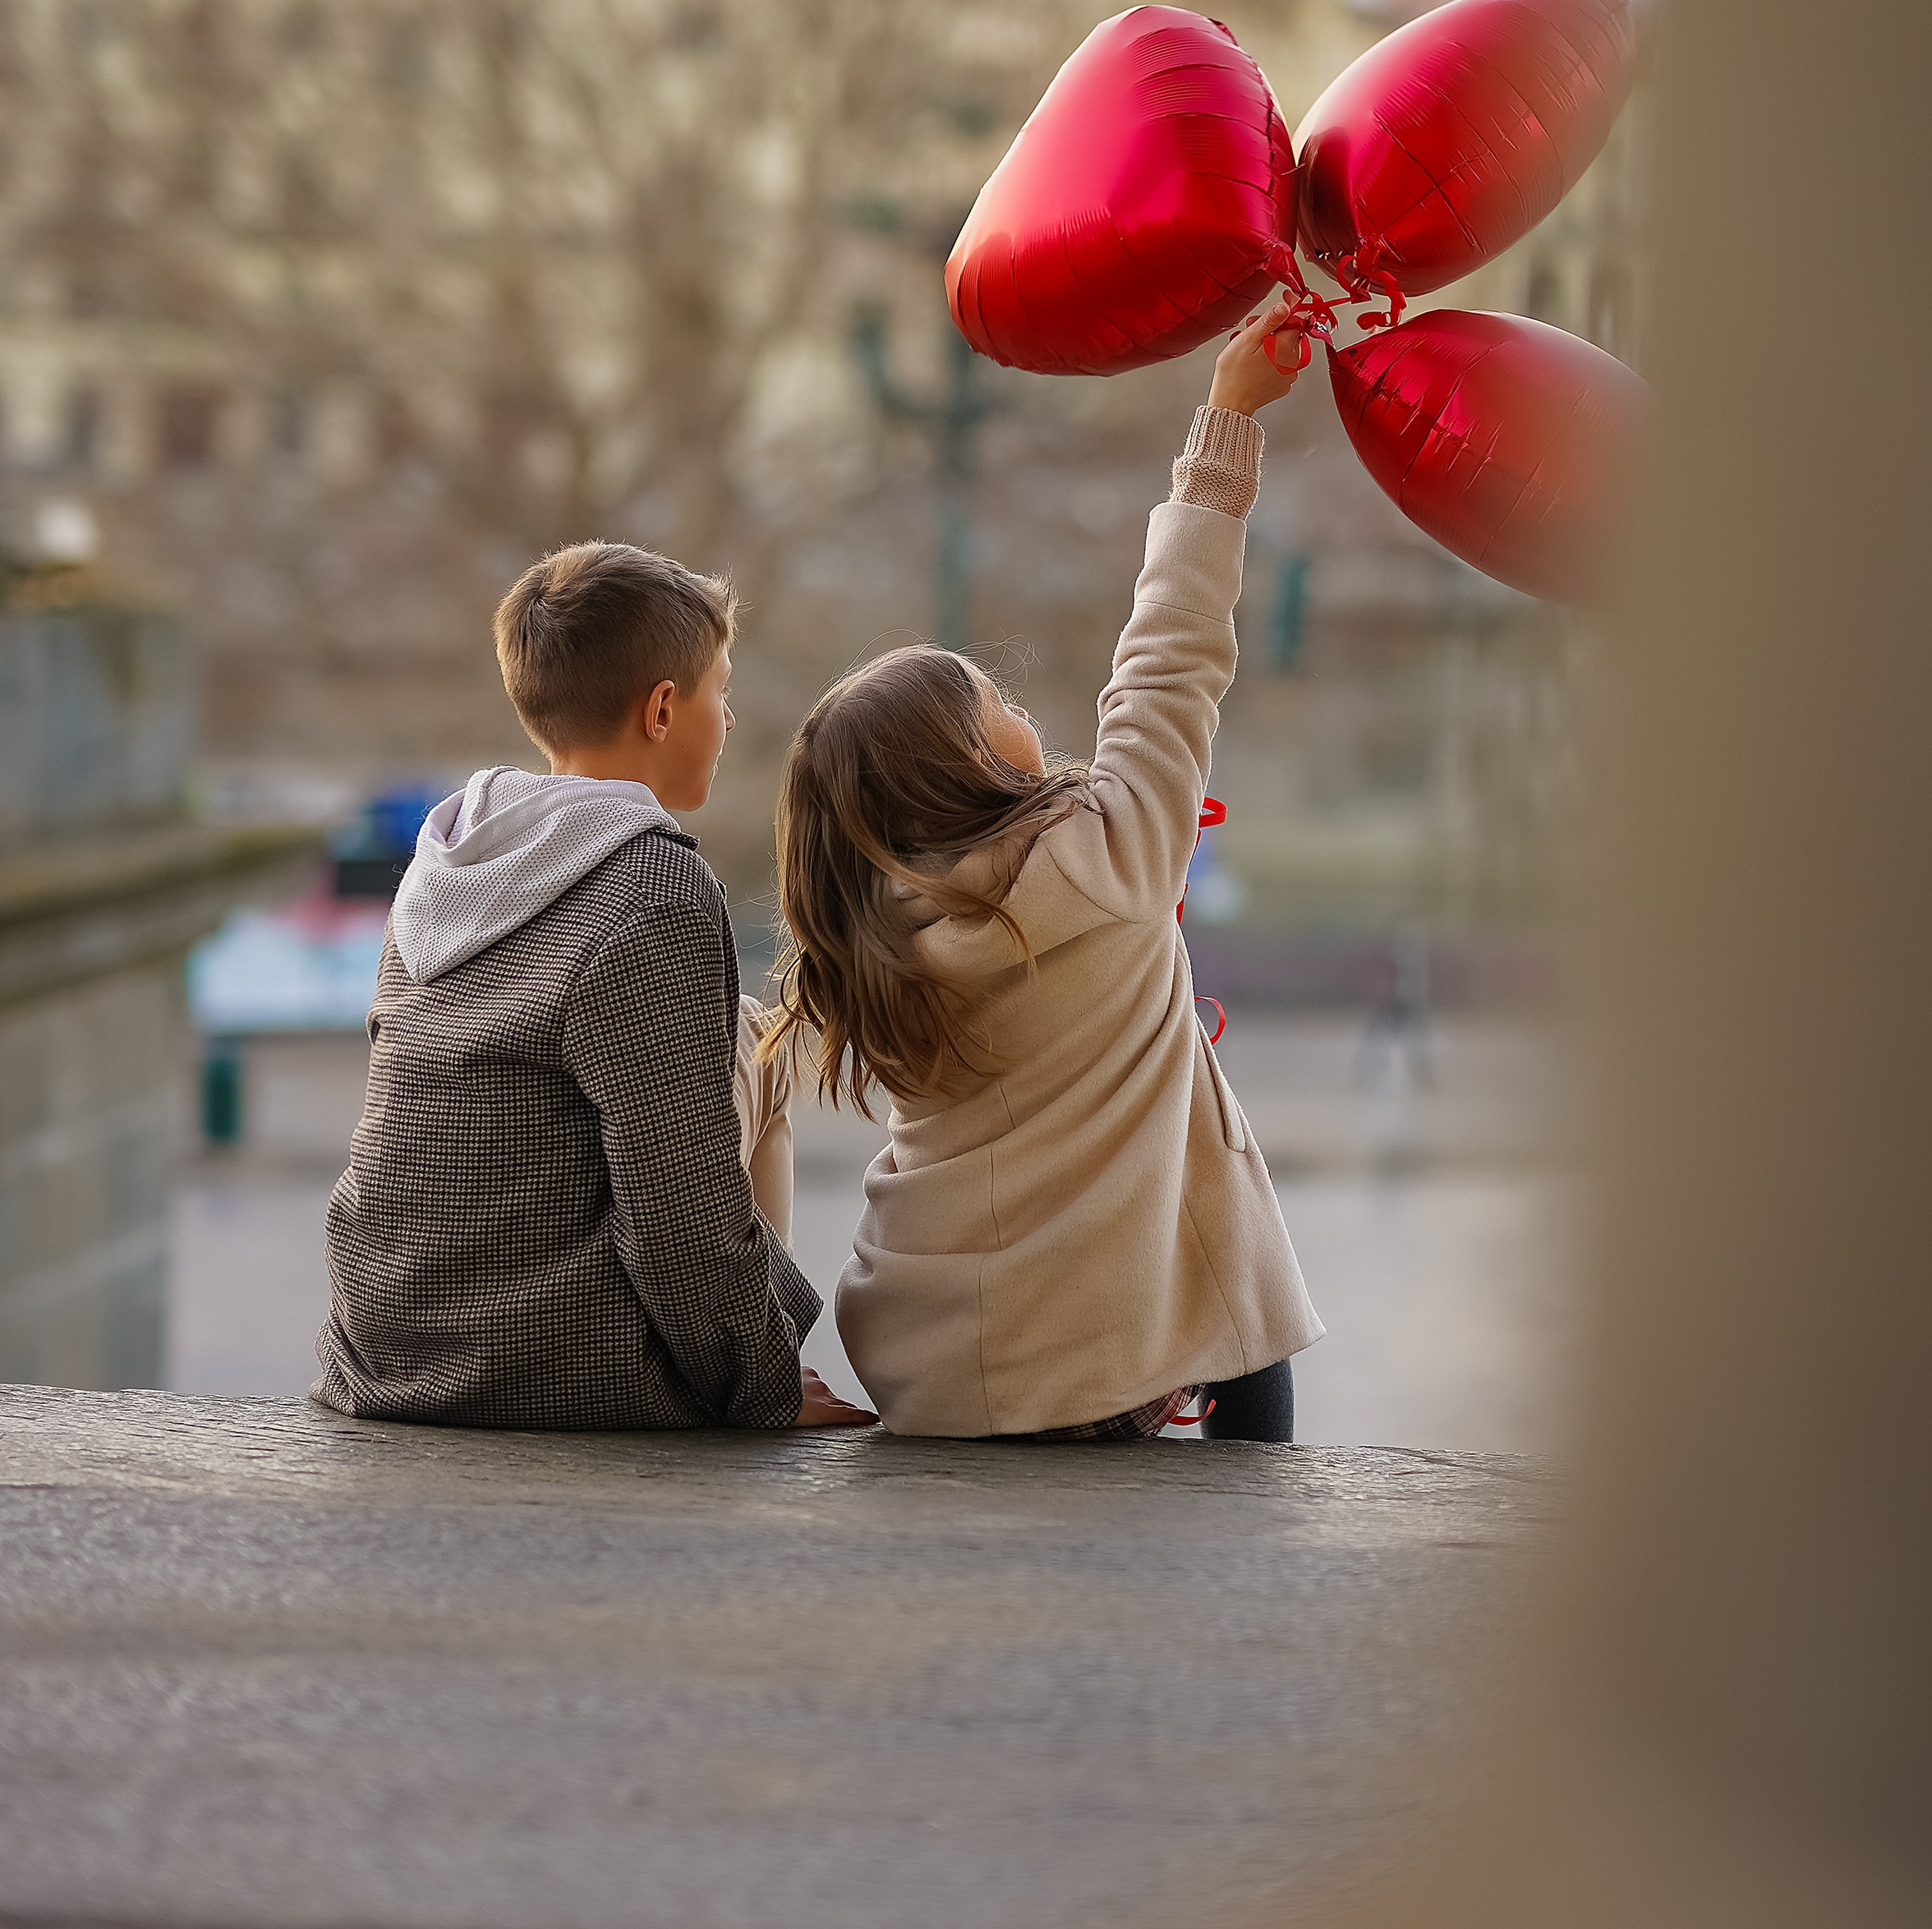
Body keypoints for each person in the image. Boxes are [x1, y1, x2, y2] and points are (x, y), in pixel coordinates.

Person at [768, 296, 1325, 1442]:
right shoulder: (1114, 852)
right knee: (1251, 1323)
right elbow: (1170, 656)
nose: (1029, 712)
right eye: (1003, 705)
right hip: (1102, 1361)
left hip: (931, 1362)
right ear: (969, 763)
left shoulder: (864, 936)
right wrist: (1226, 425)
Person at [316, 540, 870, 1431]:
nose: (726, 721)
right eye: (718, 694)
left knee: (736, 1028)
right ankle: (755, 1362)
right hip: (549, 1363)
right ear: (661, 709)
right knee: (744, 1065)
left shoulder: (448, 856)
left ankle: (748, 1351)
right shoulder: (652, 889)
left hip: (383, 1346)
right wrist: (760, 1392)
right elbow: (677, 1196)